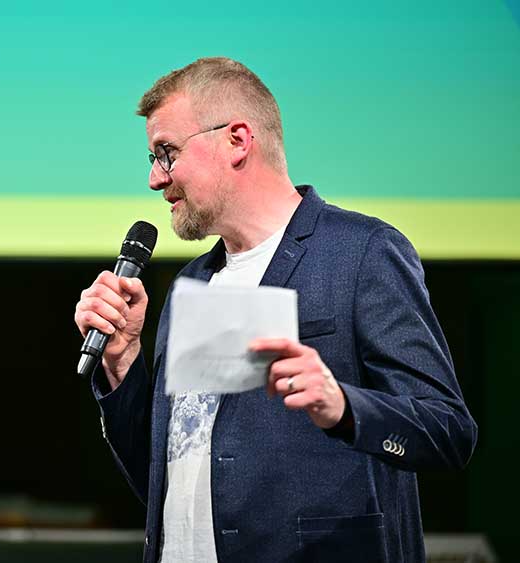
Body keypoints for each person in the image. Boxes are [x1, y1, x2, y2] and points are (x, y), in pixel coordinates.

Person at [74, 58, 477, 562]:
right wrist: (122, 360)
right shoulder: (192, 284)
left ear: (237, 140)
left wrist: (344, 406)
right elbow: (166, 477)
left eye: (167, 153)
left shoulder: (361, 253)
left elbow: (447, 430)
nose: (156, 178)